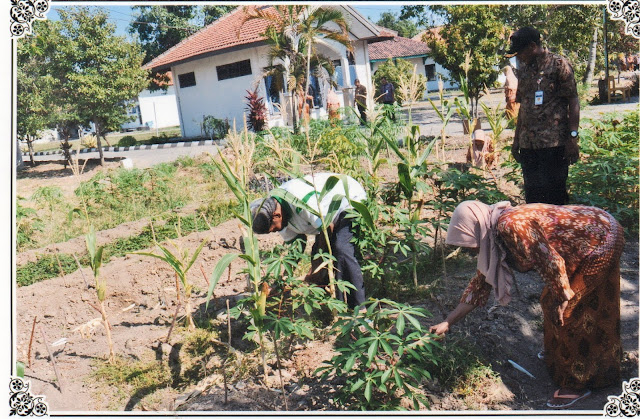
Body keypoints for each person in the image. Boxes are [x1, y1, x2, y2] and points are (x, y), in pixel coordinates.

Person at [430, 200, 625, 409]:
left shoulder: (510, 225)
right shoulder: (494, 233)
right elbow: (479, 286)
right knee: (554, 303)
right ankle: (568, 359)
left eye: (470, 243)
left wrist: (563, 297)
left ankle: (576, 382)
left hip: (601, 239)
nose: (472, 250)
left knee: (569, 313)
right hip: (587, 238)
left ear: (476, 227)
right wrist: (448, 322)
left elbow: (551, 261)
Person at [251, 172, 367, 308]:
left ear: (277, 215)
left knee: (341, 249)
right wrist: (282, 281)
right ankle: (328, 304)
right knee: (317, 256)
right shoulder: (273, 212)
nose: (276, 232)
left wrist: (316, 266)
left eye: (274, 229)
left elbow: (327, 227)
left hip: (347, 199)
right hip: (324, 216)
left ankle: (358, 308)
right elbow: (297, 246)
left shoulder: (300, 202)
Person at [506, 27, 580, 205]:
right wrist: (516, 142)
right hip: (529, 148)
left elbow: (573, 101)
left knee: (555, 200)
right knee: (533, 200)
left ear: (532, 46)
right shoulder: (523, 70)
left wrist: (573, 137)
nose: (518, 57)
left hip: (553, 146)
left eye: (520, 52)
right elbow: (523, 108)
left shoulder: (559, 65)